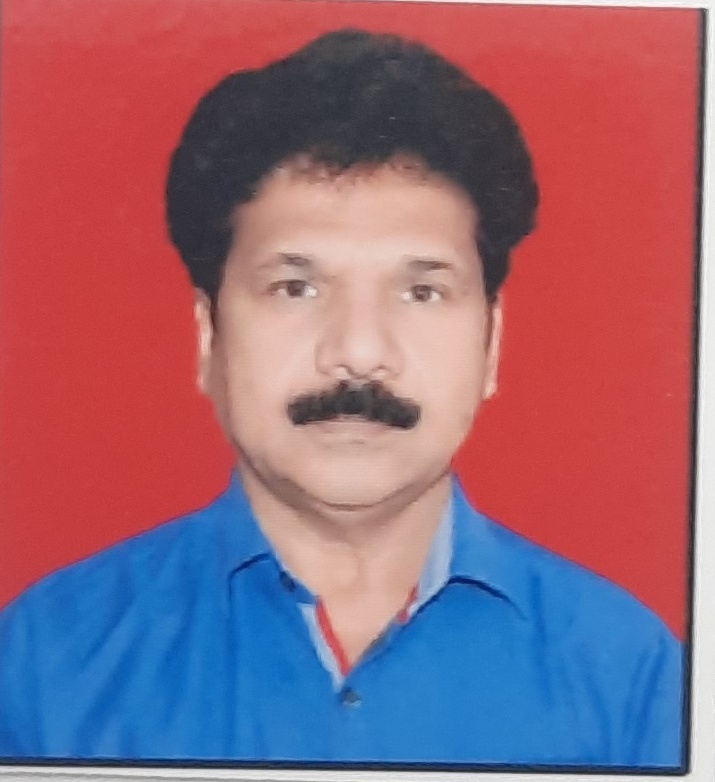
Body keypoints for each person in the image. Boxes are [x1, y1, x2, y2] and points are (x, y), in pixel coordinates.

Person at [0, 29, 683, 766]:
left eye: (421, 292)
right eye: (296, 288)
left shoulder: (634, 679)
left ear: (491, 343)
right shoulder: (44, 664)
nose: (358, 351)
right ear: (208, 338)